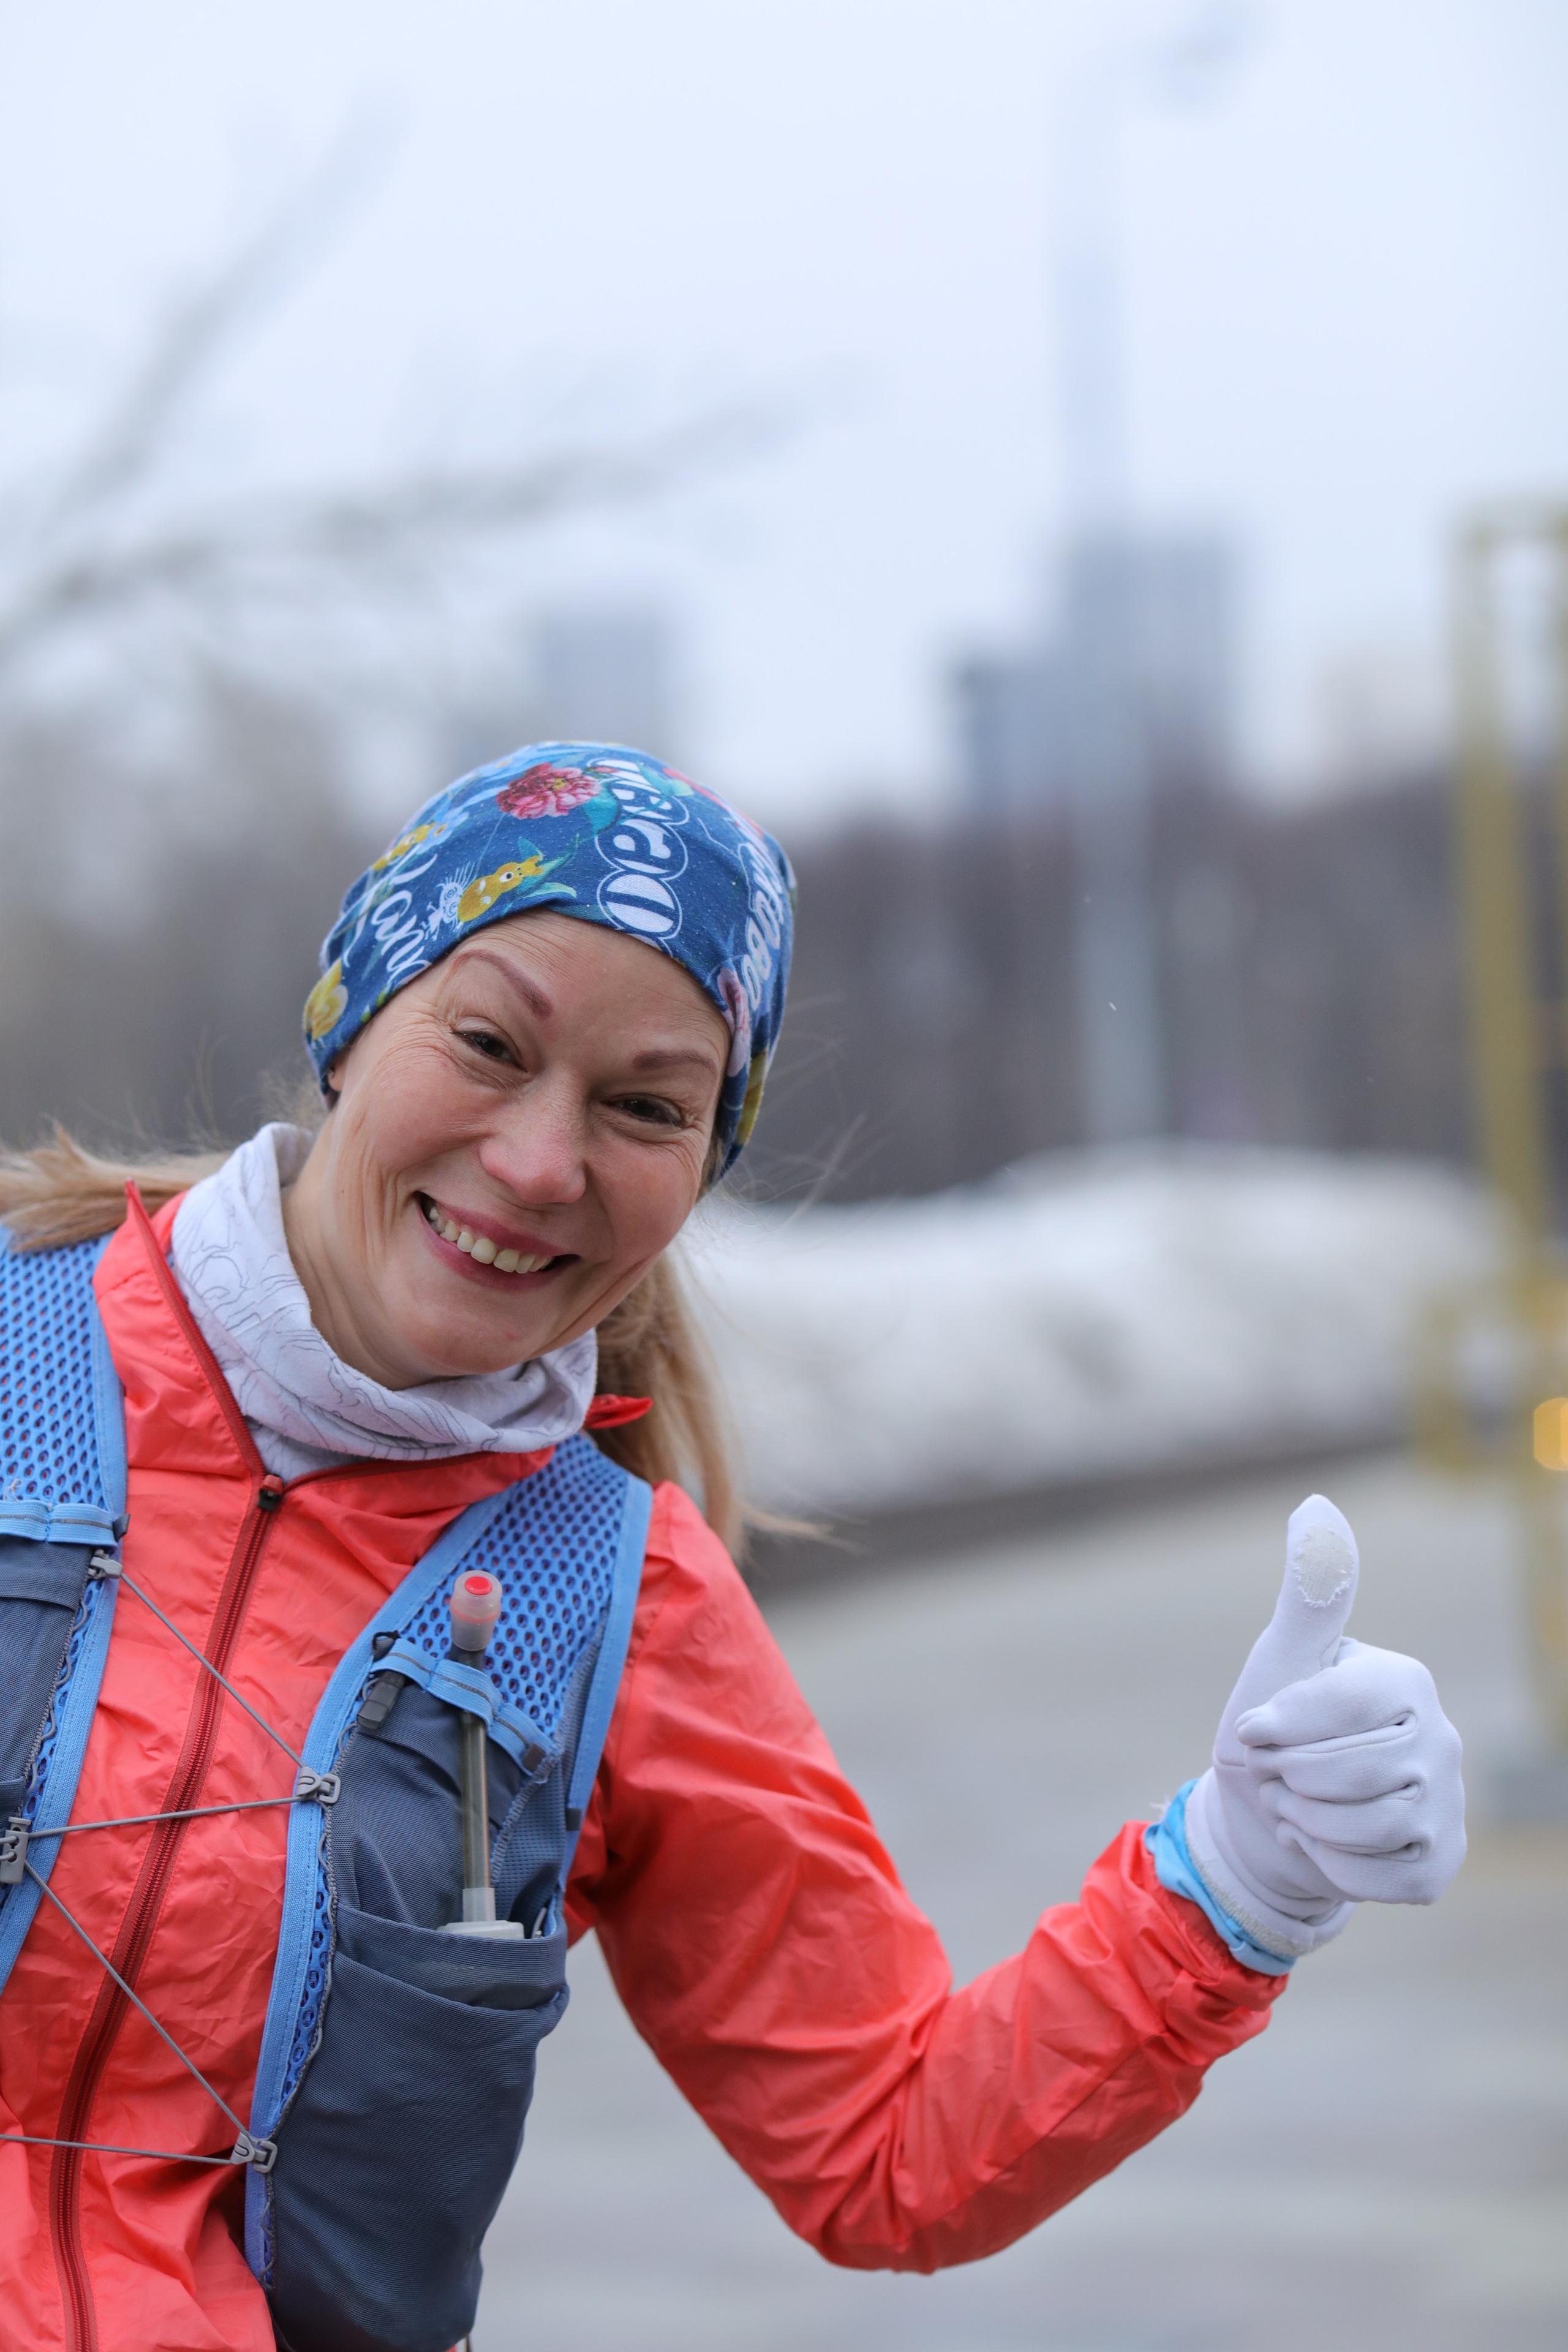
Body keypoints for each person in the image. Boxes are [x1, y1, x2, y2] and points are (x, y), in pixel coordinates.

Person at [0, 742, 1465, 2352]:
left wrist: (1235, 1884)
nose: (543, 1161)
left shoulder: (614, 1603)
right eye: (488, 1043)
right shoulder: (19, 1366)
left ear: (701, 1168)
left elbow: (891, 2155)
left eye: (645, 1107)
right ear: (353, 1019)